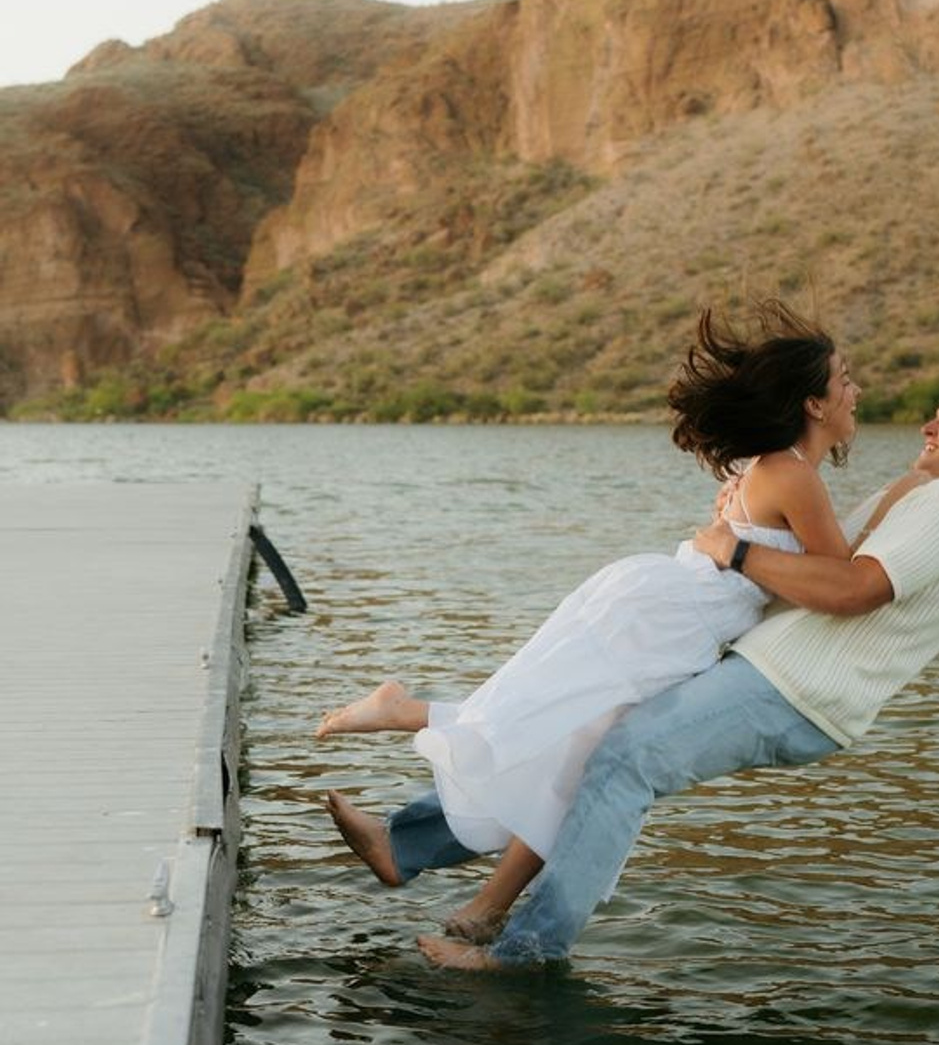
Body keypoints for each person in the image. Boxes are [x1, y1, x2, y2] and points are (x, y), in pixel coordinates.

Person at [401, 365, 939, 971]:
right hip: (762, 669)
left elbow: (852, 590)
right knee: (584, 740)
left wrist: (735, 549)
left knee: (625, 760)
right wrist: (742, 528)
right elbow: (810, 579)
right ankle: (417, 853)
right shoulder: (923, 494)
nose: (930, 426)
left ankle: (523, 953)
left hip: (792, 689)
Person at [318, 302, 862, 944]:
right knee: (552, 727)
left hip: (660, 605)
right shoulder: (793, 475)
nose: (856, 389)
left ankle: (479, 903)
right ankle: (408, 711)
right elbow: (841, 580)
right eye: (845, 378)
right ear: (814, 404)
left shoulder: (774, 469)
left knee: (571, 761)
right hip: (669, 622)